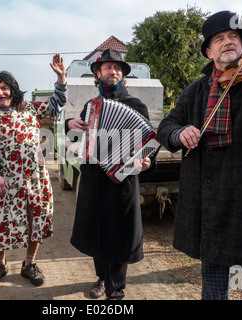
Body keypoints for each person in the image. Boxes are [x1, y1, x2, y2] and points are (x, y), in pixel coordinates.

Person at [157, 11, 242, 300]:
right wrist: (179, 133)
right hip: (209, 199)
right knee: (213, 285)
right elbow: (166, 127)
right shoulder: (196, 91)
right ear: (209, 51)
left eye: (234, 38)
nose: (228, 42)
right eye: (220, 39)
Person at [65, 49, 156, 300]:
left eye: (117, 68)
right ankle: (101, 277)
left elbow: (149, 142)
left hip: (123, 180)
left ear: (123, 74)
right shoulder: (90, 106)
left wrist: (147, 162)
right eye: (107, 67)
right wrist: (68, 124)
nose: (112, 71)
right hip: (94, 178)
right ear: (98, 73)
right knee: (96, 231)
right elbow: (76, 142)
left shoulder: (136, 105)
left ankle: (115, 290)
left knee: (118, 234)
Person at [0, 54, 67, 287]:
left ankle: (29, 264)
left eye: (5, 88)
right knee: (0, 220)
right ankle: (0, 265)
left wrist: (60, 79)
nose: (0, 93)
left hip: (35, 179)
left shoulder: (29, 109)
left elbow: (55, 107)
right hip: (5, 180)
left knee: (34, 219)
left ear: (13, 89)